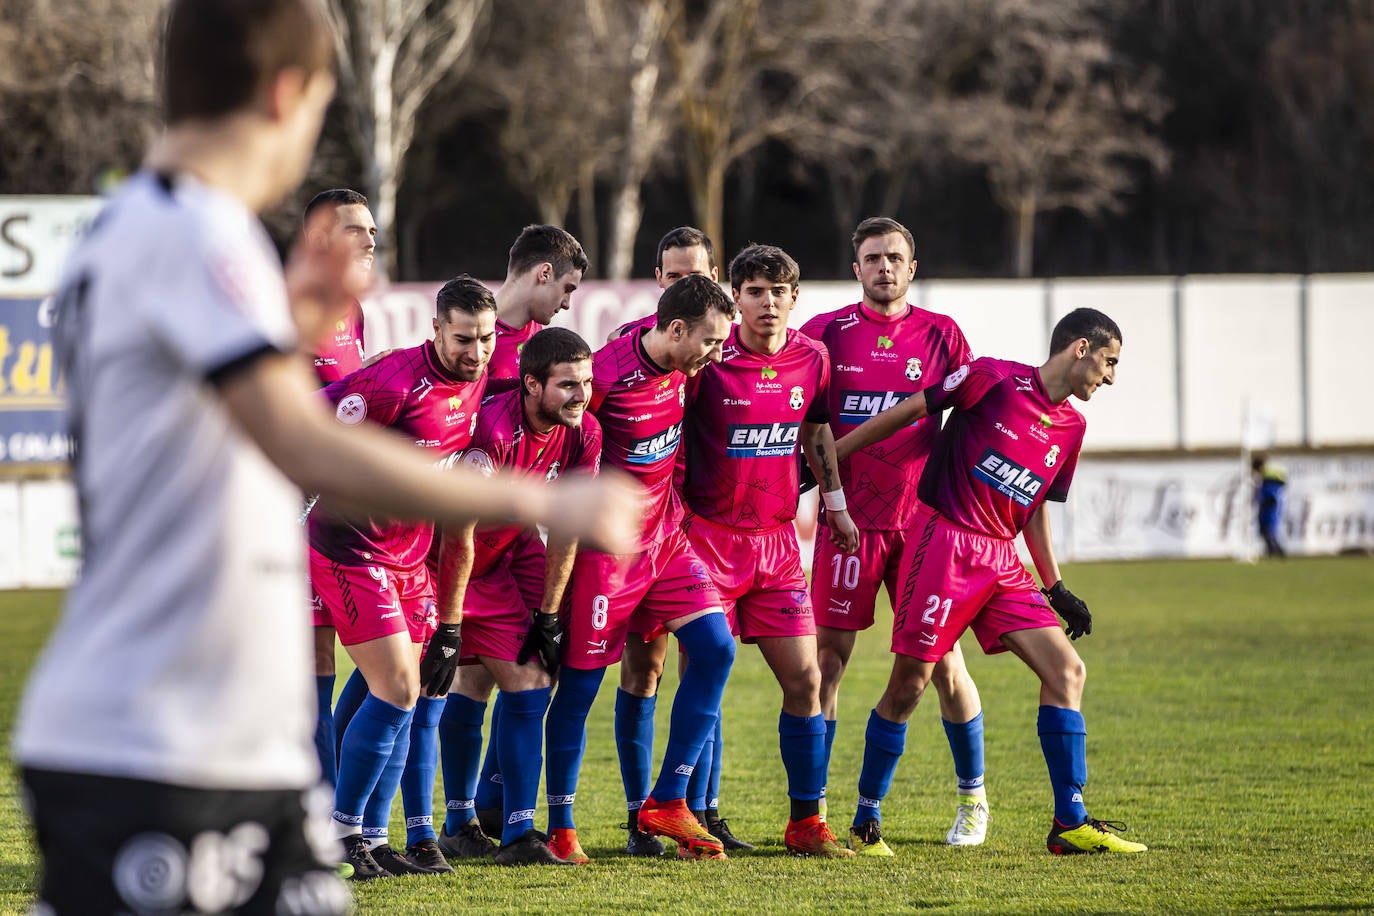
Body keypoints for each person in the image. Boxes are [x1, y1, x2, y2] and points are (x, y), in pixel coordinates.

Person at [12, 2, 639, 912]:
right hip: (162, 725)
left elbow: (214, 436)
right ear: (288, 94)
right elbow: (308, 445)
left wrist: (295, 322)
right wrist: (540, 502)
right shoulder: (195, 234)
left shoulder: (132, 229)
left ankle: (363, 823)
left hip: (196, 721)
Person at [835, 307, 1148, 855]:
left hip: (1003, 560)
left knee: (1067, 671)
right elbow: (912, 410)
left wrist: (1054, 588)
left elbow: (1033, 509)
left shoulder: (1072, 428)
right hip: (943, 543)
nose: (1112, 377)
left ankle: (1070, 822)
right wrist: (831, 459)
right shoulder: (992, 377)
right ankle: (866, 820)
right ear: (1080, 349)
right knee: (908, 685)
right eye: (1109, 361)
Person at [800, 217, 990, 853]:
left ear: (913, 266)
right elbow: (805, 424)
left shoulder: (943, 336)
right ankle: (816, 812)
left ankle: (973, 800)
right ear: (856, 268)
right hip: (846, 524)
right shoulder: (822, 335)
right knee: (827, 663)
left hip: (924, 527)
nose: (884, 267)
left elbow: (971, 420)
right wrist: (826, 496)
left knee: (941, 663)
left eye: (896, 258)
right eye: (872, 258)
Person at [543, 273, 739, 860]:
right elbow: (559, 447)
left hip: (667, 541)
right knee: (580, 690)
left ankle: (669, 800)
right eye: (709, 342)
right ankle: (561, 828)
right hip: (609, 554)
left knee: (716, 649)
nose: (715, 354)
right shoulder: (602, 378)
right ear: (675, 329)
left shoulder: (678, 365)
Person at [311, 276, 498, 879]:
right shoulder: (390, 382)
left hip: (409, 557)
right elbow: (310, 425)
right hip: (350, 548)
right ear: (436, 329)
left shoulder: (475, 384)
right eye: (463, 339)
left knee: (399, 691)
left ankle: (368, 832)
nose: (475, 353)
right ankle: (338, 836)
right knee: (396, 688)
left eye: (486, 339)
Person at [679, 243, 860, 856]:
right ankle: (688, 815)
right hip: (706, 540)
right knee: (703, 676)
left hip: (778, 544)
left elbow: (814, 429)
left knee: (806, 679)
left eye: (778, 291)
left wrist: (834, 504)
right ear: (735, 298)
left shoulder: (814, 357)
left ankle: (806, 824)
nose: (767, 303)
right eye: (754, 291)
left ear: (794, 298)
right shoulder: (706, 359)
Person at [608, 226, 754, 854]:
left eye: (692, 273)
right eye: (669, 275)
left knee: (710, 653)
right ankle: (621, 814)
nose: (679, 282)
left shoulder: (710, 352)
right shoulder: (618, 358)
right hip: (613, 547)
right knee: (634, 672)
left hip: (677, 534)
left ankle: (690, 805)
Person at [433, 327, 602, 866]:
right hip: (439, 563)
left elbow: (569, 522)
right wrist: (451, 623)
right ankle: (427, 826)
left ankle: (516, 832)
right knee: (406, 690)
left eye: (588, 383)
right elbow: (456, 533)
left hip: (502, 555)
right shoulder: (492, 432)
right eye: (569, 385)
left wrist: (550, 613)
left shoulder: (583, 432)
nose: (582, 396)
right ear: (532, 385)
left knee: (525, 684)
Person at [456, 223, 589, 840]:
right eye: (565, 286)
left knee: (520, 669)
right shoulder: (476, 338)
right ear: (542, 273)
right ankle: (452, 819)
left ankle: (488, 805)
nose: (568, 301)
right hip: (449, 543)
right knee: (414, 686)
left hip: (510, 544)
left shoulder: (549, 349)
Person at [302, 187, 376, 789]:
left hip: (334, 508)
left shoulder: (351, 310)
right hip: (285, 508)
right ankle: (317, 814)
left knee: (363, 654)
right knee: (313, 656)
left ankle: (327, 803)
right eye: (356, 229)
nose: (370, 240)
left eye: (371, 229)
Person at [1252, 455, 1287, 557]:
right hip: (1268, 507)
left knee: (1269, 531)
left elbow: (1271, 496)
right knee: (1266, 531)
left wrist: (1265, 501)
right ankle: (1273, 551)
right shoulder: (1268, 479)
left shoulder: (1269, 480)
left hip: (1269, 508)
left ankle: (1276, 551)